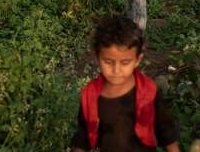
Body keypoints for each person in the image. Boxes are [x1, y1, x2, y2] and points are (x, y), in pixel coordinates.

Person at [71, 16, 180, 152]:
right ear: (97, 57)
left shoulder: (148, 91)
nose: (116, 70)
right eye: (108, 62)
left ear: (137, 60)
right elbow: (83, 136)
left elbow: (166, 131)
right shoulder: (90, 95)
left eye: (125, 62)